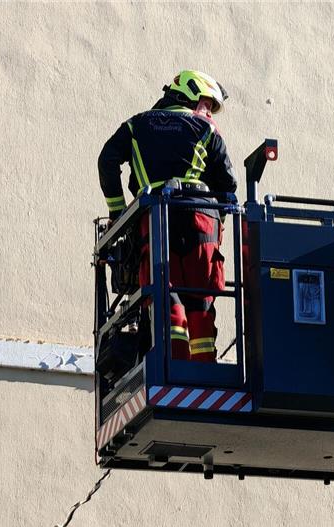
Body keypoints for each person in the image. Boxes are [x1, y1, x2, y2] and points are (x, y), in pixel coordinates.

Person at [98, 70, 238, 362]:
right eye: (207, 104)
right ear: (189, 95)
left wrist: (117, 211)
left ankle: (173, 363)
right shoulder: (207, 131)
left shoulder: (136, 125)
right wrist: (218, 222)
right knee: (200, 296)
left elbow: (107, 160)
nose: (208, 113)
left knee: (165, 292)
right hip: (202, 220)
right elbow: (228, 186)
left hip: (156, 221)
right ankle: (203, 368)